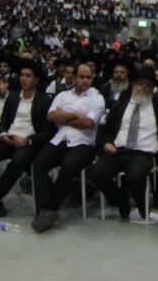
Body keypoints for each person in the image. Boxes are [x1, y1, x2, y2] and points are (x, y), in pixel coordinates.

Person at [90, 66, 158, 222]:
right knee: (97, 173)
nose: (143, 87)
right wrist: (107, 143)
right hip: (117, 151)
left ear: (153, 88)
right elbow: (108, 131)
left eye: (148, 85)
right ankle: (121, 202)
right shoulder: (120, 105)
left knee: (135, 176)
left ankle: (141, 209)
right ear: (133, 85)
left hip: (143, 153)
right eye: (140, 83)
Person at [0, 59, 53, 221]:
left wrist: (28, 140)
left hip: (28, 142)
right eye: (22, 75)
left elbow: (47, 132)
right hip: (9, 137)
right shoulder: (13, 97)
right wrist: (3, 135)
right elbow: (2, 122)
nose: (23, 79)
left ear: (36, 80)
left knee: (16, 164)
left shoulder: (44, 101)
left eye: (28, 76)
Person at [29, 61, 106, 233]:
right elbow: (51, 116)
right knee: (38, 164)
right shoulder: (63, 95)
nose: (85, 81)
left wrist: (63, 117)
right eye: (81, 77)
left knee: (68, 167)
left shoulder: (97, 98)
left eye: (88, 77)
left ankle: (50, 208)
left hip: (83, 144)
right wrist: (73, 115)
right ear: (74, 77)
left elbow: (88, 123)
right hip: (60, 139)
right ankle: (42, 210)